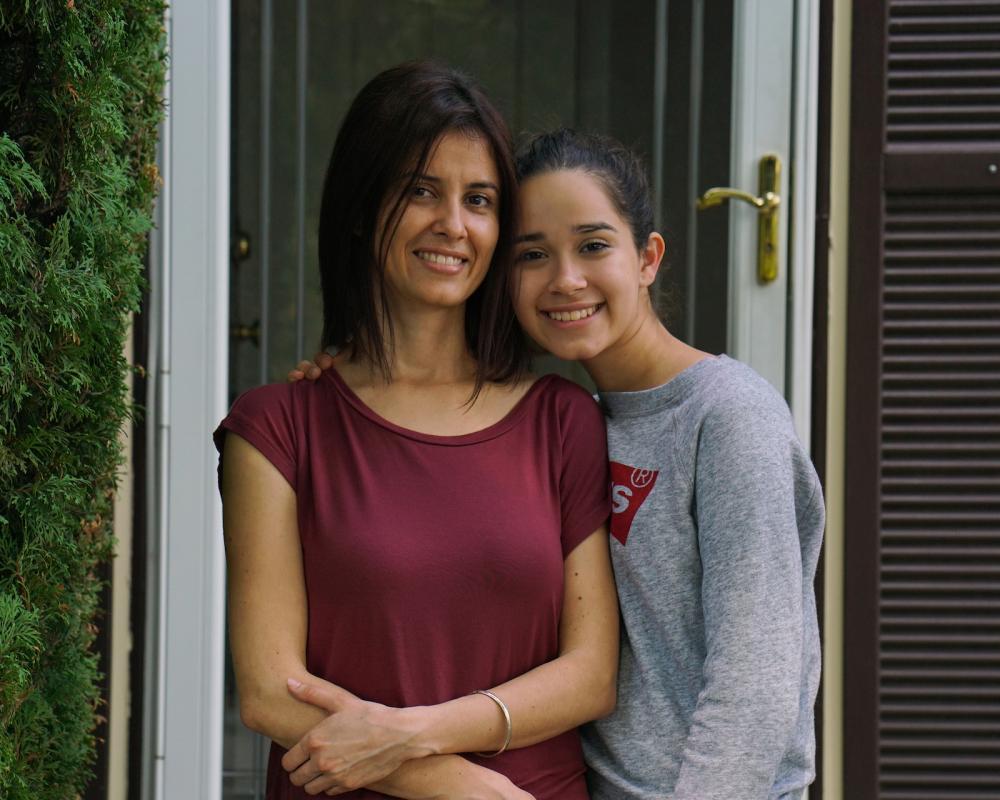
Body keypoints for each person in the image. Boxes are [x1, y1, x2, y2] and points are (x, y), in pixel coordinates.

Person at [293, 127, 824, 800]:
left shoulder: (728, 418)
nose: (565, 279)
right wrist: (356, 380)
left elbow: (757, 684)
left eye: (594, 246)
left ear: (648, 258)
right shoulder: (572, 421)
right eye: (533, 255)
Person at [215, 65, 619, 800]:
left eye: (480, 201)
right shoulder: (276, 428)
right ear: (365, 206)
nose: (453, 225)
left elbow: (591, 675)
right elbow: (272, 696)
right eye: (421, 191)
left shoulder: (564, 420)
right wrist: (475, 792)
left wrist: (412, 732)